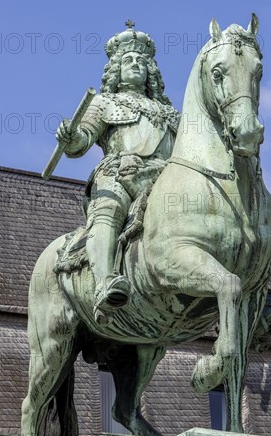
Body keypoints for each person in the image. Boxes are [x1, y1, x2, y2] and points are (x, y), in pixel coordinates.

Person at [56, 22, 180, 319]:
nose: (136, 64)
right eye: (128, 60)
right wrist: (70, 137)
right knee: (109, 211)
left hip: (164, 177)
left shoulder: (171, 113)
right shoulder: (103, 102)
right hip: (120, 172)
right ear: (116, 69)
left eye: (142, 61)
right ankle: (104, 283)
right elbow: (82, 141)